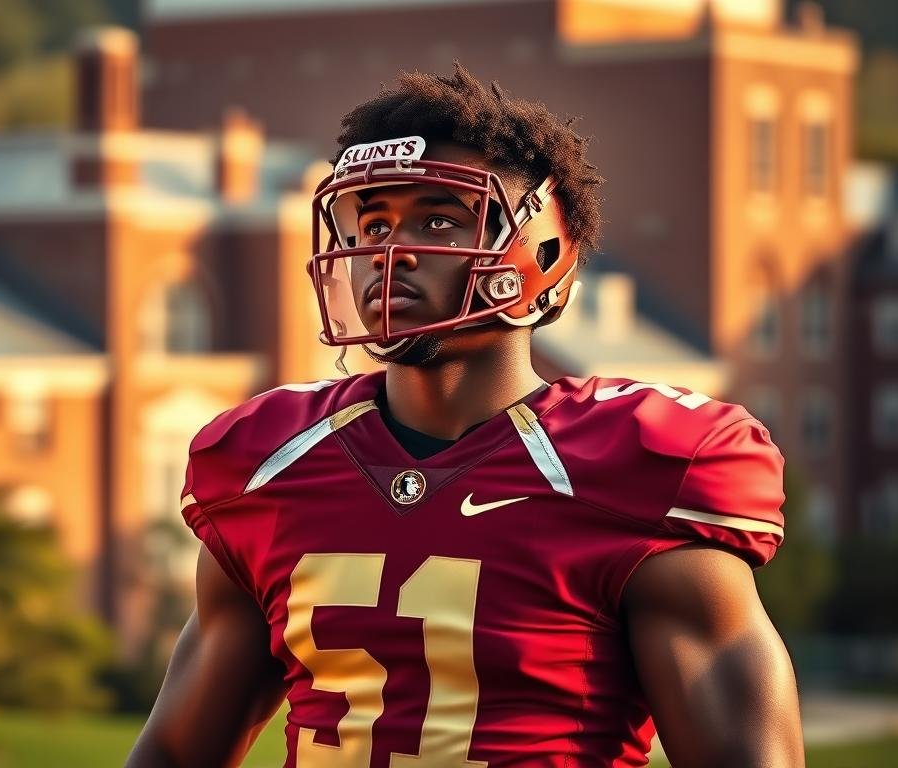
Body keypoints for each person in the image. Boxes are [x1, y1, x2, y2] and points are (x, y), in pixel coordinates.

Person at [128, 64, 804, 767]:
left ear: (541, 250)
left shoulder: (638, 470)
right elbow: (174, 754)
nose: (389, 253)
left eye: (439, 220)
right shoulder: (269, 467)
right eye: (373, 223)